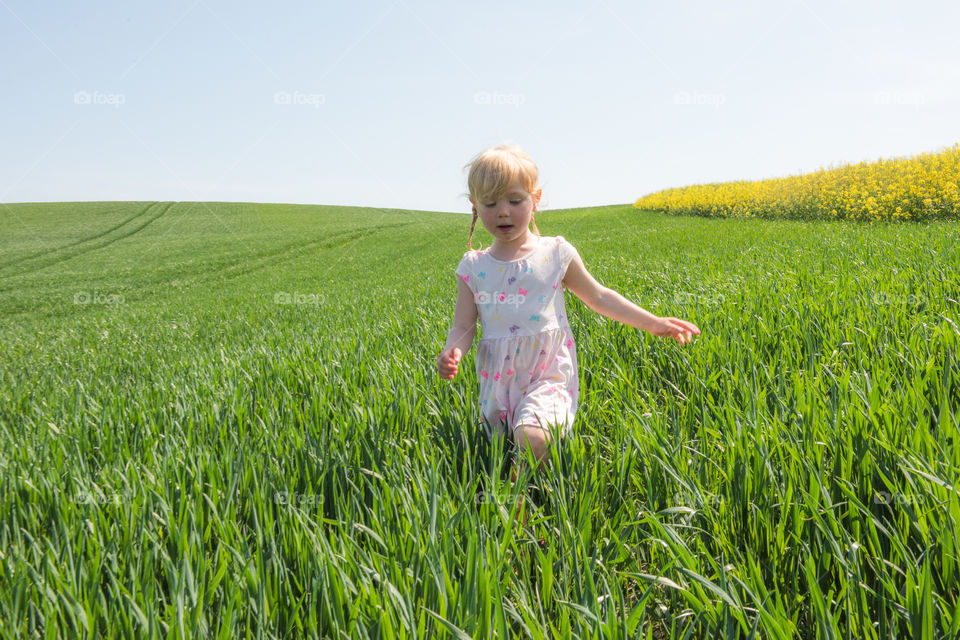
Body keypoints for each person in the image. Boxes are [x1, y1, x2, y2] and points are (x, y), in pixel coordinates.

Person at [437, 144, 700, 530]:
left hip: (547, 371)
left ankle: (516, 512)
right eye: (491, 204)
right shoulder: (474, 266)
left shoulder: (554, 253)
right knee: (501, 443)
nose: (504, 212)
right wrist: (452, 350)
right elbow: (464, 325)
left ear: (536, 200)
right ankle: (515, 478)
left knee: (532, 436)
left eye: (514, 199)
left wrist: (653, 322)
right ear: (475, 206)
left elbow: (598, 297)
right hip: (499, 378)